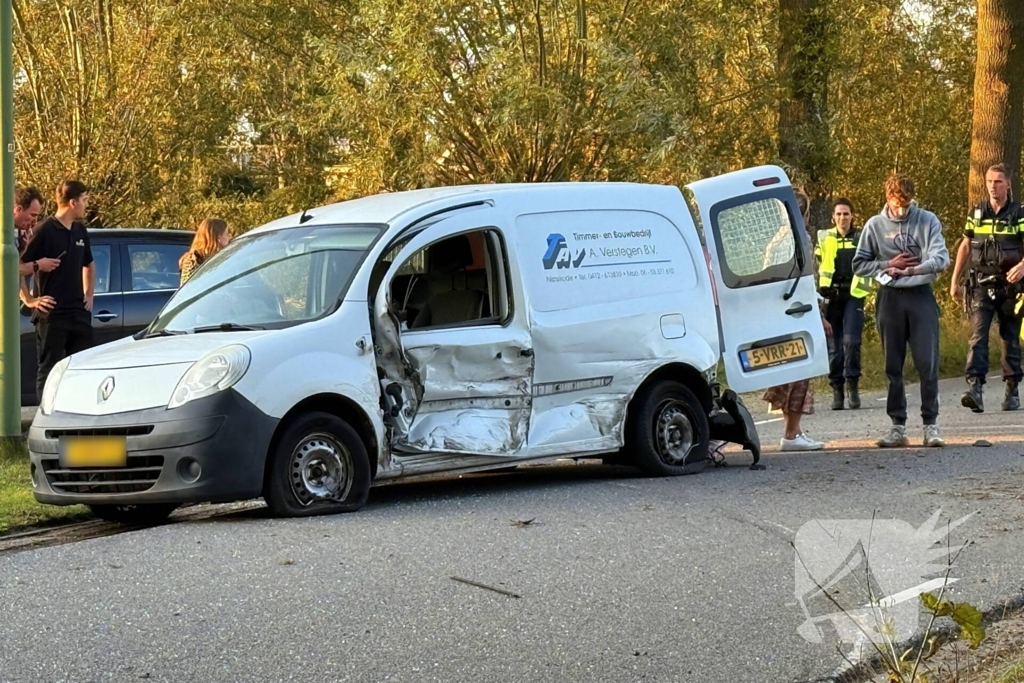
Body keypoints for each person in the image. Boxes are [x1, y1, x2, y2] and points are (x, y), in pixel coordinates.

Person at [853, 174, 950, 448]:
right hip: (890, 297)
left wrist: (912, 270)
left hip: (920, 295)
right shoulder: (874, 225)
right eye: (897, 206)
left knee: (926, 362)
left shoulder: (927, 220)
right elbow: (859, 264)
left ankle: (931, 425)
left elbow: (941, 259)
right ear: (887, 199)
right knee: (892, 364)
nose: (902, 211)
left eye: (906, 206)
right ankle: (897, 426)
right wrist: (887, 265)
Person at [950, 163, 1024, 413]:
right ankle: (975, 388)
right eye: (990, 181)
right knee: (978, 335)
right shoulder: (977, 212)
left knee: (1009, 338)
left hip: (1010, 285)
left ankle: (1012, 388)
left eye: (998, 182)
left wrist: (1023, 266)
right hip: (981, 282)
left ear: (1008, 184)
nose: (993, 186)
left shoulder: (1018, 213)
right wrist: (954, 281)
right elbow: (966, 245)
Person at [763, 188, 832, 452]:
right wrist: (819, 316)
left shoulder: (776, 240)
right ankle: (791, 434)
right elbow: (805, 283)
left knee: (788, 371)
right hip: (799, 313)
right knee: (802, 373)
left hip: (779, 314)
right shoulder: (800, 239)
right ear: (802, 214)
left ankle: (792, 430)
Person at [20, 180, 96, 401]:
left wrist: (88, 295)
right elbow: (15, 267)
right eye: (85, 200)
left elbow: (89, 264)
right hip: (52, 314)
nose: (86, 205)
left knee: (82, 368)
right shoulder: (43, 230)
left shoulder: (81, 230)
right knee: (50, 370)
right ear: (73, 202)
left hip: (78, 313)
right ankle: (46, 420)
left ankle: (78, 418)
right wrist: (30, 299)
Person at [815, 198, 873, 410]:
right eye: (838, 214)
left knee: (851, 342)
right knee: (835, 347)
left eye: (846, 214)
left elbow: (871, 264)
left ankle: (852, 387)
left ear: (852, 216)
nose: (842, 218)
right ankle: (837, 390)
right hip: (831, 297)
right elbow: (818, 266)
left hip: (854, 295)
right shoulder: (824, 238)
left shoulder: (861, 237)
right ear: (833, 217)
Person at [179, 218, 230, 285]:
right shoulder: (193, 260)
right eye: (226, 234)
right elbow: (188, 288)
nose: (229, 236)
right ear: (218, 237)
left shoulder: (220, 257)